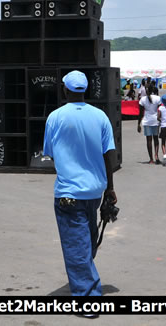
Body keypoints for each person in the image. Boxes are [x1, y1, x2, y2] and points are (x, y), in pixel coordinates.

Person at [42, 70, 116, 300]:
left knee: (76, 244)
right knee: (86, 239)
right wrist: (110, 188)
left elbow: (50, 153)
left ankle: (87, 295)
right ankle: (84, 272)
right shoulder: (101, 116)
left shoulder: (55, 117)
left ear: (65, 89)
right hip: (95, 191)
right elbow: (109, 155)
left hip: (69, 192)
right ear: (85, 89)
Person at [137, 83, 162, 164]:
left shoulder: (142, 99)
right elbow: (160, 110)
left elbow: (140, 113)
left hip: (147, 121)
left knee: (149, 140)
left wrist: (138, 124)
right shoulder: (158, 98)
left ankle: (151, 159)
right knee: (156, 139)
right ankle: (156, 156)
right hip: (155, 120)